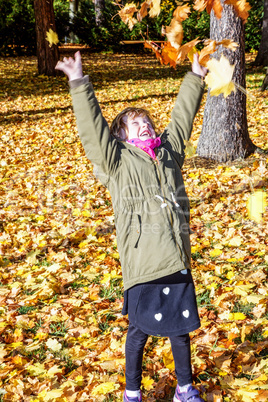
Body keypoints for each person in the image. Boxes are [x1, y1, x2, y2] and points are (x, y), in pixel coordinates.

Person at [56, 51, 207, 402]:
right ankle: (132, 392)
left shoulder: (169, 153)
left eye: (147, 123)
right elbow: (93, 131)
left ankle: (184, 389)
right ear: (121, 136)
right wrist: (79, 83)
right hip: (143, 265)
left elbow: (182, 118)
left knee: (181, 328)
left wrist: (196, 77)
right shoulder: (117, 163)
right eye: (135, 124)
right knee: (139, 331)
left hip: (176, 258)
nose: (145, 126)